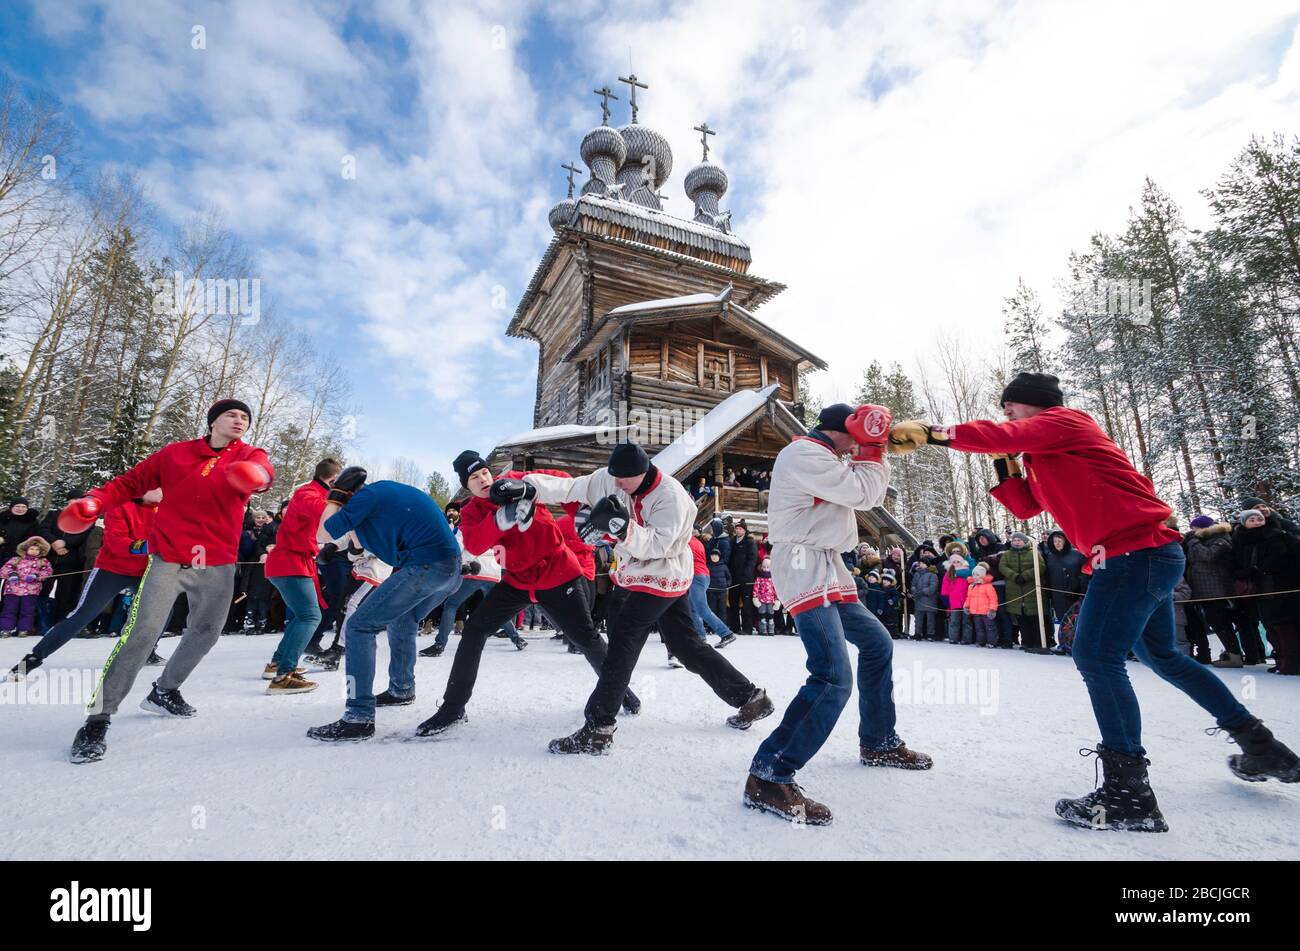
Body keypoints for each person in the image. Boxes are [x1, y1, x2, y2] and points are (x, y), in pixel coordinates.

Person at [891, 370, 1300, 831]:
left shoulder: (1068, 423)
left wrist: (933, 434)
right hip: (1142, 557)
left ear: (1037, 405)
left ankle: (1128, 795)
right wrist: (1006, 461)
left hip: (1134, 555)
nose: (1005, 413)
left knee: (1096, 656)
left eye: (1011, 406)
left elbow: (1007, 433)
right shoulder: (1043, 455)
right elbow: (1026, 507)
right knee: (1163, 656)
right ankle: (1262, 746)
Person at [746, 404, 931, 825]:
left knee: (877, 643)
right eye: (857, 438)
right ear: (843, 431)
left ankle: (878, 741)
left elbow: (860, 488)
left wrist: (874, 448)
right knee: (832, 675)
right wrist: (874, 447)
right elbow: (865, 494)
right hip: (801, 562)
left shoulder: (825, 456)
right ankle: (769, 774)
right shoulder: (804, 453)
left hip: (828, 562)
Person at [521, 443, 771, 754]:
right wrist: (527, 487)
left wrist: (623, 529)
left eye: (623, 479)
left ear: (642, 473)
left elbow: (657, 546)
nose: (616, 485)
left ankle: (599, 727)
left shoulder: (672, 497)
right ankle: (750, 699)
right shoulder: (612, 479)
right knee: (687, 646)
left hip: (663, 573)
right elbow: (571, 488)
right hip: (641, 574)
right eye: (613, 477)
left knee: (622, 644)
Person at [63, 398, 274, 764]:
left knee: (206, 632)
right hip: (170, 557)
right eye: (232, 415)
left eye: (245, 417)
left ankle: (165, 690)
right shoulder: (175, 454)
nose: (240, 420)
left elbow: (263, 471)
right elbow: (128, 483)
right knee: (142, 632)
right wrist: (94, 501)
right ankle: (98, 718)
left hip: (218, 561)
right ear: (213, 421)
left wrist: (258, 477)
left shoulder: (250, 454)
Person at [415, 450, 641, 738]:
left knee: (586, 638)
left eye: (484, 472)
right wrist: (501, 518)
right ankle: (452, 707)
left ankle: (621, 692)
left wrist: (579, 511)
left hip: (557, 573)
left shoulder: (514, 480)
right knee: (475, 631)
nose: (483, 479)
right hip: (518, 580)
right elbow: (473, 541)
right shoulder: (472, 511)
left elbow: (561, 483)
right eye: (473, 477)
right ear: (466, 484)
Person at [8, 491, 164, 679]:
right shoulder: (122, 506)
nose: (163, 491)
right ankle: (32, 659)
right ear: (145, 488)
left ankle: (148, 650)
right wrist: (146, 546)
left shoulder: (167, 509)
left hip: (147, 571)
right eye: (158, 486)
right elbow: (116, 541)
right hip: (113, 570)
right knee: (81, 615)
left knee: (163, 609)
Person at [261, 458, 342, 694]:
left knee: (301, 616)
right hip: (290, 562)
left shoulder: (316, 493)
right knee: (310, 617)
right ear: (333, 480)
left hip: (294, 562)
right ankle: (283, 676)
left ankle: (277, 663)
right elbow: (324, 512)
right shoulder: (308, 492)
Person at [1230, 509, 1300, 675]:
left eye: (1259, 518)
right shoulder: (1240, 539)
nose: (1256, 521)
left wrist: (1255, 569)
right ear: (1244, 523)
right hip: (1260, 588)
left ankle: (1291, 662)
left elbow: (1279, 559)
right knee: (1270, 626)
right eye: (1251, 519)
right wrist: (1241, 572)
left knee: (1284, 625)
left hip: (1280, 586)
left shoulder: (1275, 535)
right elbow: (1237, 562)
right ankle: (1280, 659)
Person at [688, 533, 734, 647]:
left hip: (696, 576)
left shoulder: (686, 542)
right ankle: (700, 636)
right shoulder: (697, 542)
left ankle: (726, 633)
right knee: (693, 609)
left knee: (702, 609)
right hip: (703, 575)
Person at [1, 536, 53, 636]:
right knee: (9, 609)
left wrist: (37, 576)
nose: (34, 551)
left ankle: (23, 629)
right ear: (26, 549)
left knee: (27, 611)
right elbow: (3, 570)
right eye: (32, 548)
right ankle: (6, 629)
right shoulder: (16, 560)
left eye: (37, 549)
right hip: (12, 590)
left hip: (30, 591)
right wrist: (12, 574)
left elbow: (48, 572)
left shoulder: (43, 562)